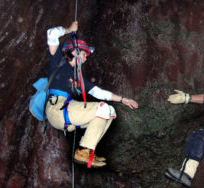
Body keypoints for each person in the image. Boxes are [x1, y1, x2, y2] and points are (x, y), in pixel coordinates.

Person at [46, 21, 138, 168]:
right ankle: (84, 150)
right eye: (84, 53)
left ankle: (87, 150)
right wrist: (70, 29)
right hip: (57, 109)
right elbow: (51, 33)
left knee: (110, 112)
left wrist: (123, 99)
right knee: (102, 109)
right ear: (74, 51)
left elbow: (99, 93)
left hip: (66, 115)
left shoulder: (78, 78)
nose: (86, 57)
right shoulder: (58, 62)